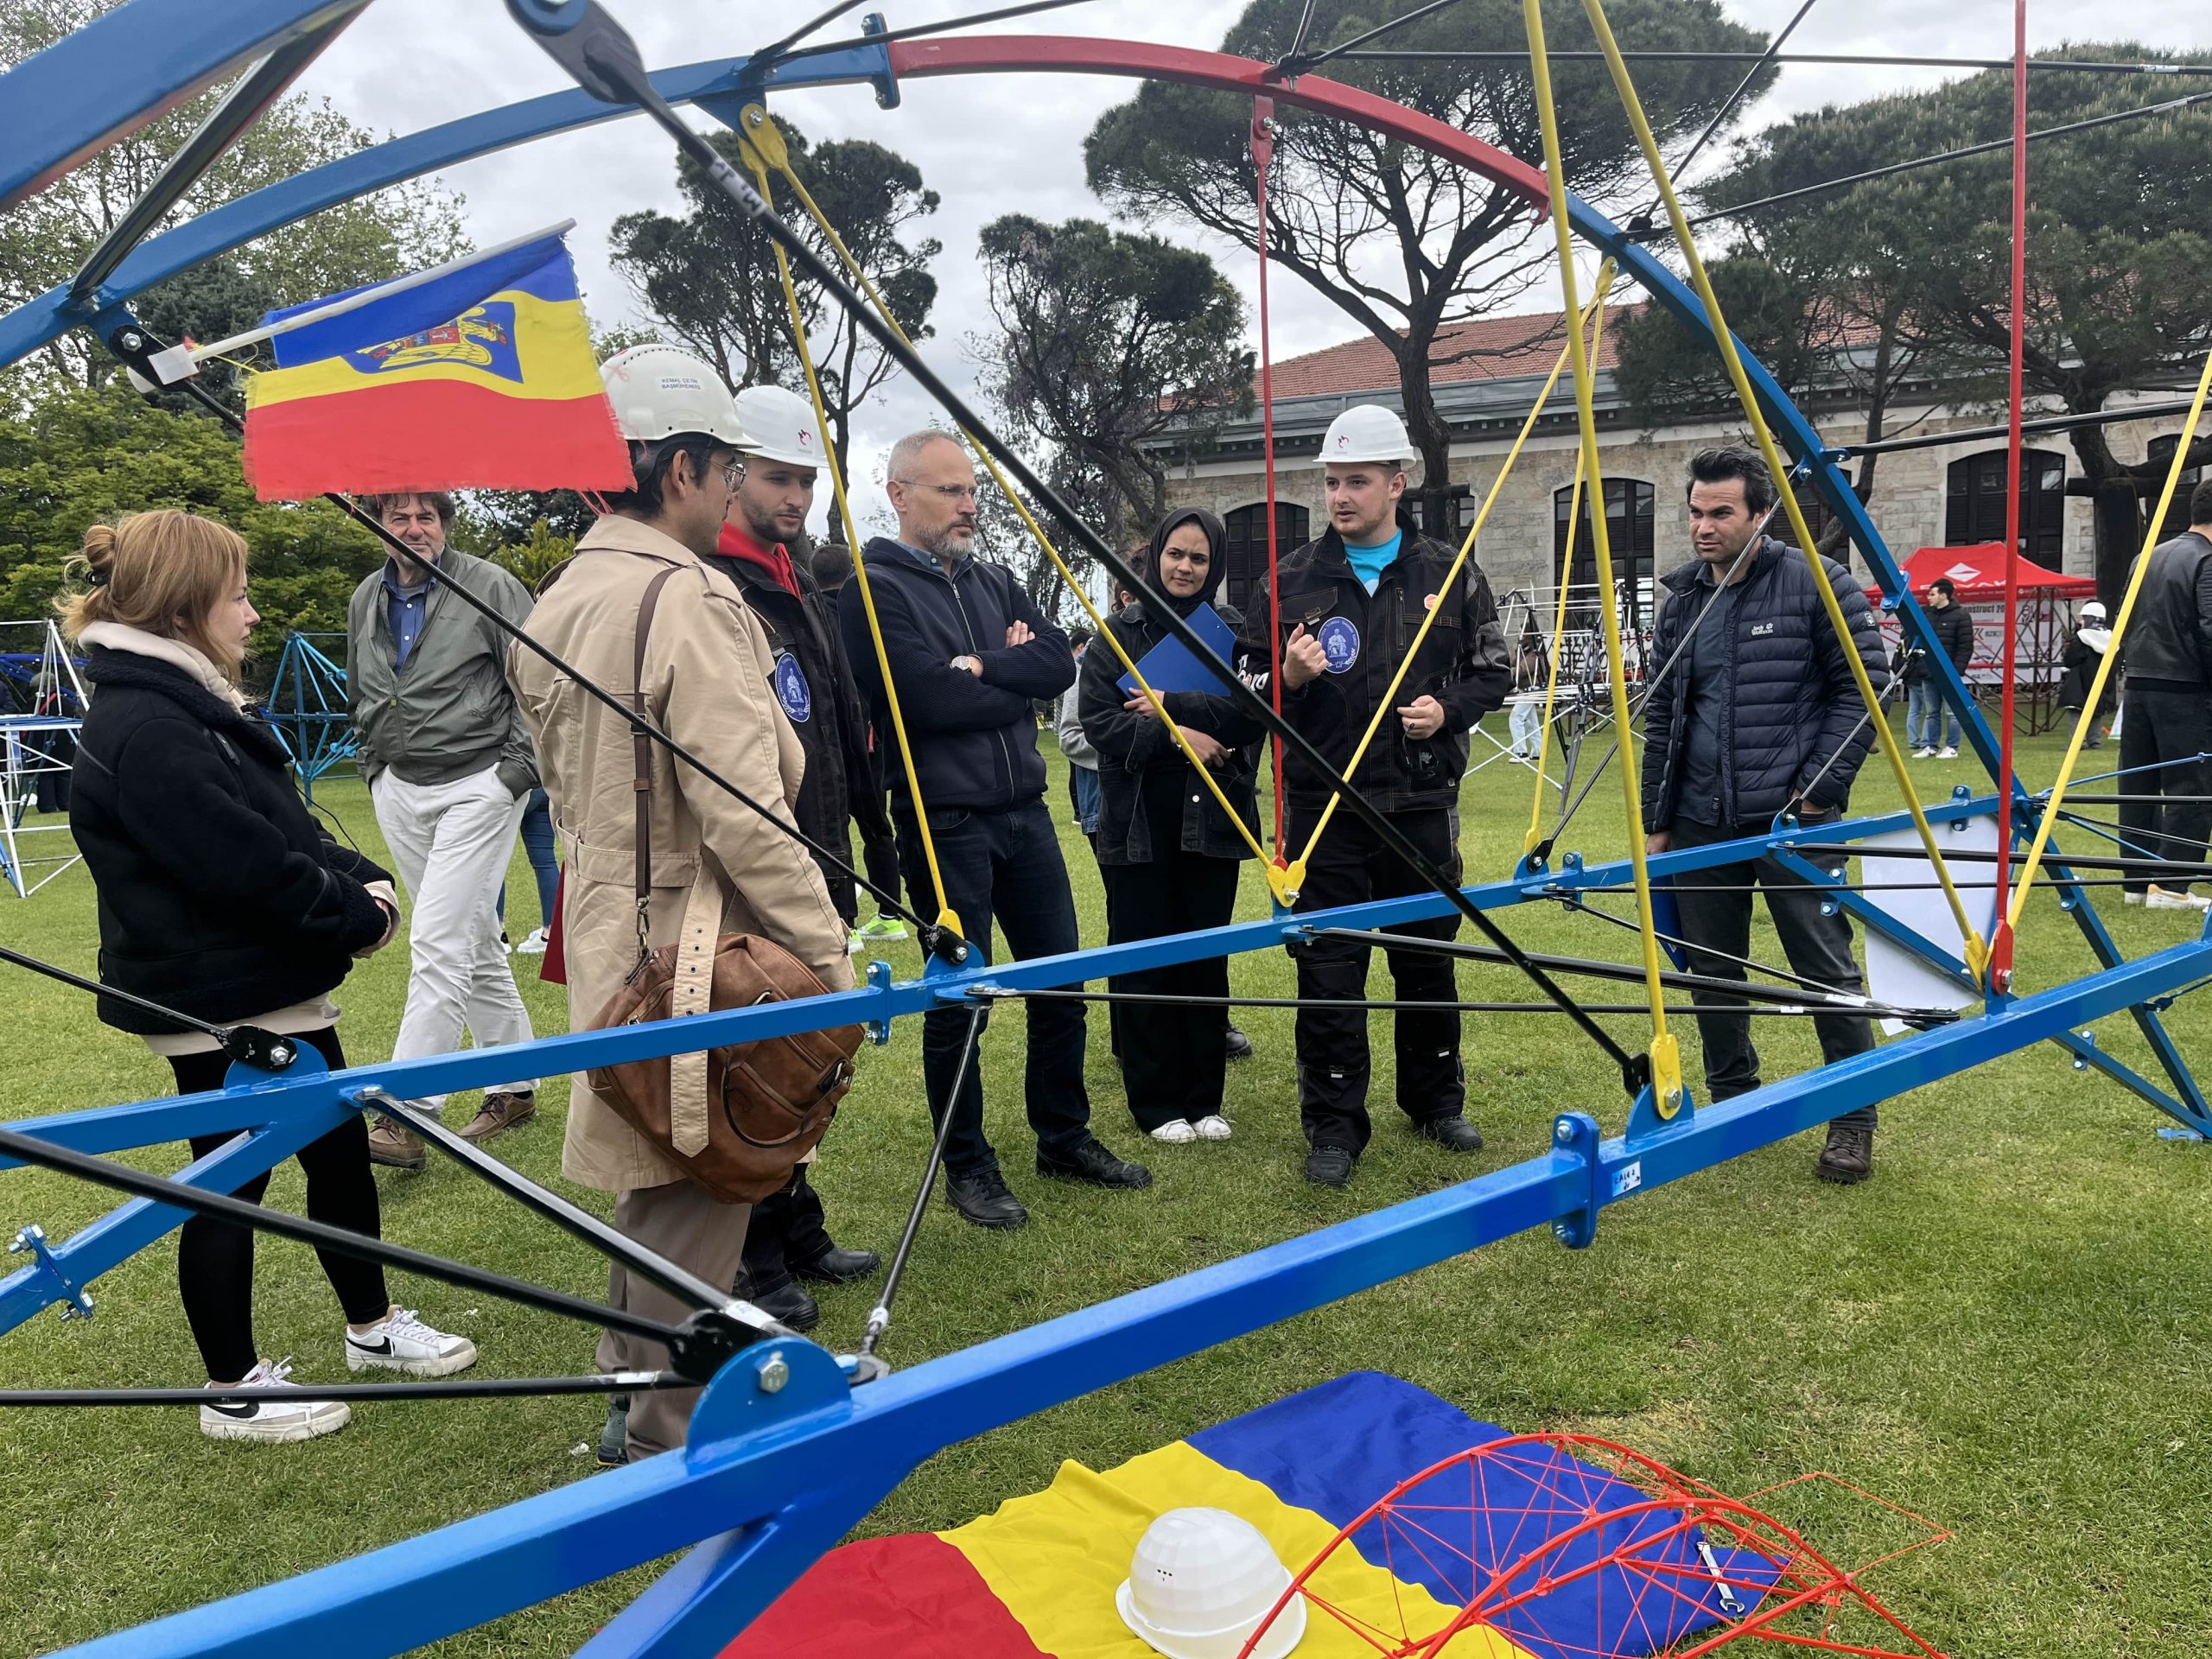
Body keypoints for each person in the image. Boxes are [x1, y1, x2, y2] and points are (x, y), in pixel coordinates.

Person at [509, 345, 855, 1462]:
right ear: (682, 471)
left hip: (606, 923)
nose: (729, 493)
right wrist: (829, 960)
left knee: (655, 1172)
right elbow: (748, 812)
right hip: (699, 941)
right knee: (707, 1178)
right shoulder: (691, 596)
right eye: (723, 471)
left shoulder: (565, 592)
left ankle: (628, 1387)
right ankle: (670, 1436)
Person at [65, 510, 476, 1445]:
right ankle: (231, 1388)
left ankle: (371, 1328)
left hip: (263, 983)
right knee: (228, 1181)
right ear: (184, 605)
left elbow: (286, 824)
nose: (251, 615)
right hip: (216, 999)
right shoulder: (149, 723)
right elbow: (243, 864)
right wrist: (356, 913)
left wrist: (360, 879)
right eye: (238, 594)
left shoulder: (189, 702)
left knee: (335, 1154)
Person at [839, 429, 1150, 1230]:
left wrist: (983, 668)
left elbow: (1060, 665)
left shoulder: (996, 577)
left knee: (1061, 984)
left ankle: (1064, 1135)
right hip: (943, 826)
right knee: (959, 1000)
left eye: (972, 490)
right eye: (950, 491)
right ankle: (969, 1165)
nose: (969, 505)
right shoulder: (871, 590)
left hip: (1025, 815)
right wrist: (1006, 678)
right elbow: (923, 700)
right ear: (899, 493)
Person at [1236, 404, 1508, 1187]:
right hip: (1323, 809)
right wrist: (1285, 677)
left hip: (1421, 804)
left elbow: (1495, 667)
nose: (1341, 495)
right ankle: (1332, 1125)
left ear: (1398, 482)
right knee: (1329, 969)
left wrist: (1447, 710)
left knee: (1426, 963)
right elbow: (1246, 684)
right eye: (1331, 481)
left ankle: (1435, 1102)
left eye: (1357, 480)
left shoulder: (1447, 571)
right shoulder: (1286, 579)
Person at [698, 382, 892, 1332]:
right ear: (731, 477)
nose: (796, 497)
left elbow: (839, 723)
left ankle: (796, 1220)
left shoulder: (796, 575)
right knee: (758, 1063)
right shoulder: (717, 582)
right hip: (755, 863)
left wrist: (864, 843)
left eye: (806, 479)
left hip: (820, 847)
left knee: (808, 1056)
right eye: (778, 478)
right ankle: (754, 1255)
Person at [1641, 446, 1890, 1185]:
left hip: (1791, 822)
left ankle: (1852, 1118)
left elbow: (1865, 689)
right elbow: (1664, 719)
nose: (1704, 527)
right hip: (1698, 821)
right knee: (1713, 974)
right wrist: (1659, 822)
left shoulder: (1817, 582)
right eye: (1696, 512)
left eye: (1722, 512)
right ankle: (1732, 1106)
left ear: (1761, 514)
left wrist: (1814, 793)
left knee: (1825, 969)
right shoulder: (1683, 598)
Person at [346, 490, 539, 1166]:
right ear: (378, 524)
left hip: (480, 780)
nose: (413, 528)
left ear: (445, 525)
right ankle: (515, 1085)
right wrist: (375, 769)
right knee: (474, 939)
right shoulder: (366, 595)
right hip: (400, 784)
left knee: (437, 939)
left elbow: (539, 683)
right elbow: (363, 684)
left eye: (426, 516)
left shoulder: (489, 584)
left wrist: (514, 773)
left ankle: (407, 1112)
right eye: (398, 516)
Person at [1079, 508, 1263, 1143]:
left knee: (1204, 959)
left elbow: (1250, 714)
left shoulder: (1236, 633)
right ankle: (1155, 1103)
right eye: (1176, 555)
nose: (1185, 567)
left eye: (1199, 558)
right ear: (1157, 556)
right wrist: (1177, 732)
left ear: (1214, 566)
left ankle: (1203, 1097)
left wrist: (1170, 706)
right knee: (1145, 961)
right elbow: (1101, 723)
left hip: (1210, 819)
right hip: (1136, 824)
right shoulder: (1115, 635)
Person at [2117, 478, 2212, 911]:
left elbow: (2122, 620)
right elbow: (2210, 631)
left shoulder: (2145, 558)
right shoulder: (2207, 560)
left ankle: (2136, 884)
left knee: (2138, 783)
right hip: (2185, 687)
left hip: (2137, 684)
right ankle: (2173, 888)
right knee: (2191, 785)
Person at [1908, 577, 1974, 760]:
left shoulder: (1960, 615)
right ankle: (1930, 746)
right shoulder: (1926, 613)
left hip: (1949, 673)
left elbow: (1965, 646)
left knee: (1952, 712)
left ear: (1943, 595)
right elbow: (1913, 635)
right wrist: (1921, 664)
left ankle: (1952, 746)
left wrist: (1956, 670)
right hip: (1928, 672)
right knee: (1931, 713)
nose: (1928, 597)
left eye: (1932, 594)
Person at [508, 787, 560, 953]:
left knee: (491, 858)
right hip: (542, 783)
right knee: (545, 859)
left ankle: (496, 935)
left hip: (514, 783)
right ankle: (551, 934)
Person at [2057, 599, 2112, 751]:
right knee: (2095, 710)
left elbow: (2070, 660)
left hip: (2080, 679)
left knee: (2076, 710)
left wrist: (2076, 634)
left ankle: (2078, 741)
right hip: (2100, 678)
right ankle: (2095, 741)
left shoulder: (2081, 638)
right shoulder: (2109, 638)